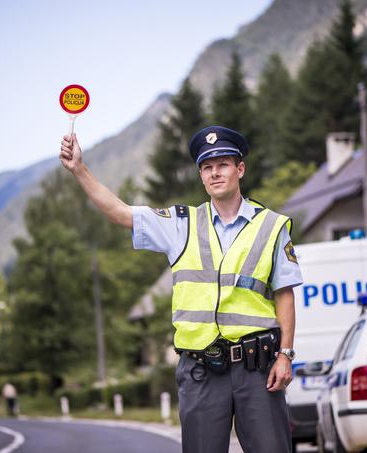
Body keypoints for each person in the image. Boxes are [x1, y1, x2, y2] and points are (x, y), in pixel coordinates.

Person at [60, 125, 302, 453]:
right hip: (201, 370)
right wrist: (80, 169)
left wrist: (285, 355)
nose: (215, 173)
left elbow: (284, 294)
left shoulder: (272, 226)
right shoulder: (180, 223)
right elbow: (120, 213)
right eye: (207, 167)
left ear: (240, 169)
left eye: (223, 164)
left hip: (257, 368)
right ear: (201, 175)